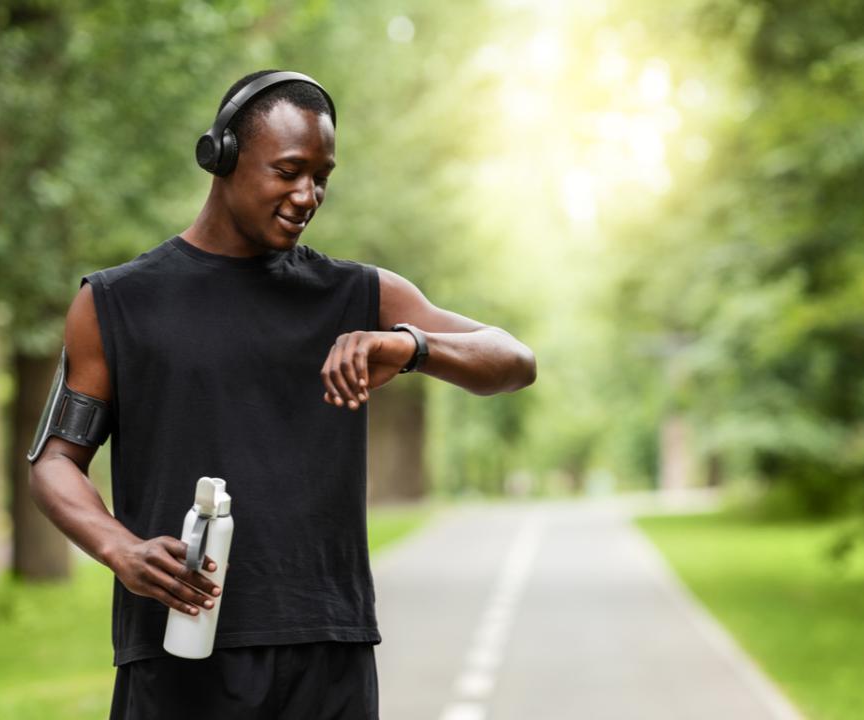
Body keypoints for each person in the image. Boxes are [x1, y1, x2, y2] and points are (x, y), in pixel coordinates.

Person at [28, 69, 536, 720]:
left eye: (321, 176)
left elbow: (514, 359)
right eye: (289, 171)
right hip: (177, 652)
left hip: (330, 653)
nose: (308, 195)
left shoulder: (361, 296)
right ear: (223, 157)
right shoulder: (114, 305)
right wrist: (118, 548)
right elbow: (53, 461)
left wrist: (412, 346)